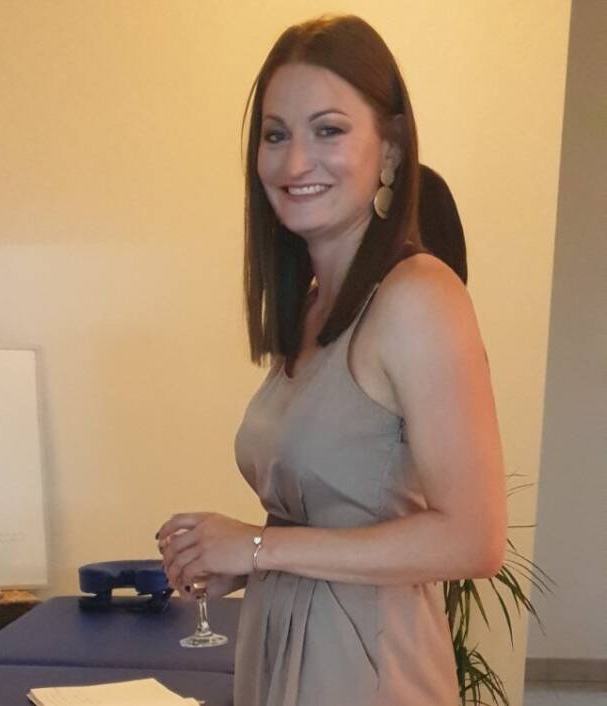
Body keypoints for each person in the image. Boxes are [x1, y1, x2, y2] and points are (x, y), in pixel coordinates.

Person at [157, 13, 506, 706]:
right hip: (287, 650)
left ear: (391, 147)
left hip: (370, 672)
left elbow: (475, 540)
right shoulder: (315, 307)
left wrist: (258, 548)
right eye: (275, 135)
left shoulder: (418, 296)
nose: (294, 164)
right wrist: (241, 563)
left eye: (329, 130)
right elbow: (336, 516)